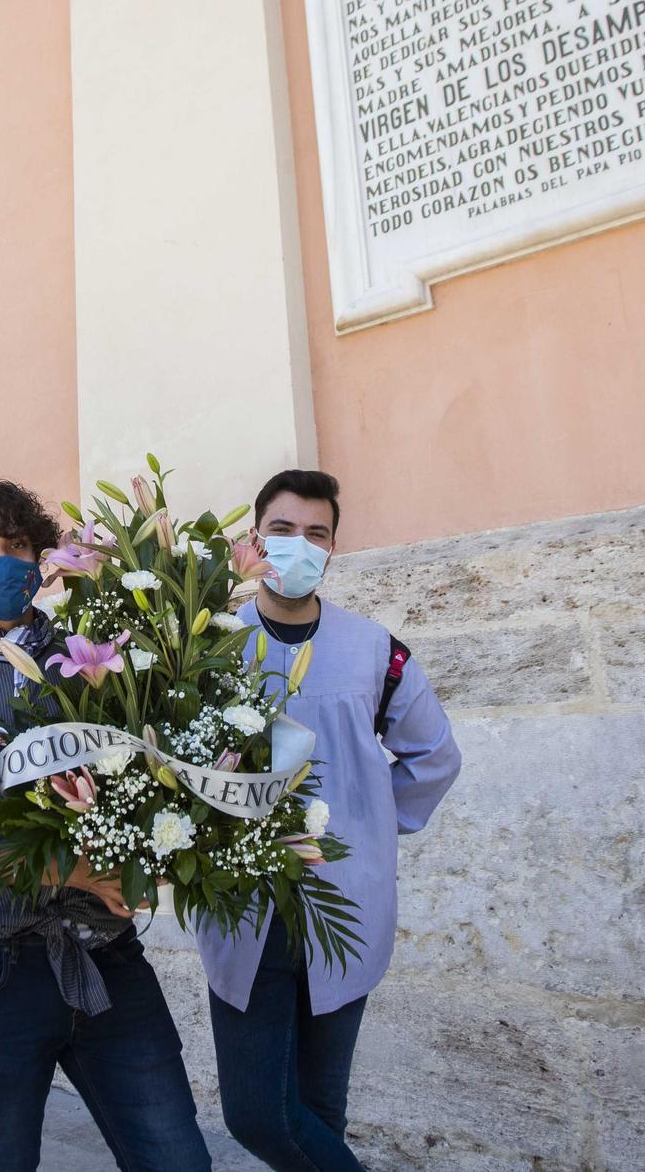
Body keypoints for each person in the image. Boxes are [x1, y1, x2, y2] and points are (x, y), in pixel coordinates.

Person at [0, 478, 212, 1172]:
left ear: (41, 554)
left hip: (109, 956)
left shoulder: (99, 656)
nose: (4, 561)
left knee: (176, 1157)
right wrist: (62, 870)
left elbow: (149, 769)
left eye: (18, 544)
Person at [195, 469, 462, 1172]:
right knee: (257, 1113)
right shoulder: (206, 642)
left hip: (342, 903)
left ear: (334, 547)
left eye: (316, 533)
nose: (298, 545)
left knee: (320, 1110)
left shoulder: (377, 650)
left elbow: (434, 755)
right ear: (253, 540)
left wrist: (370, 831)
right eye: (282, 530)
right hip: (246, 909)